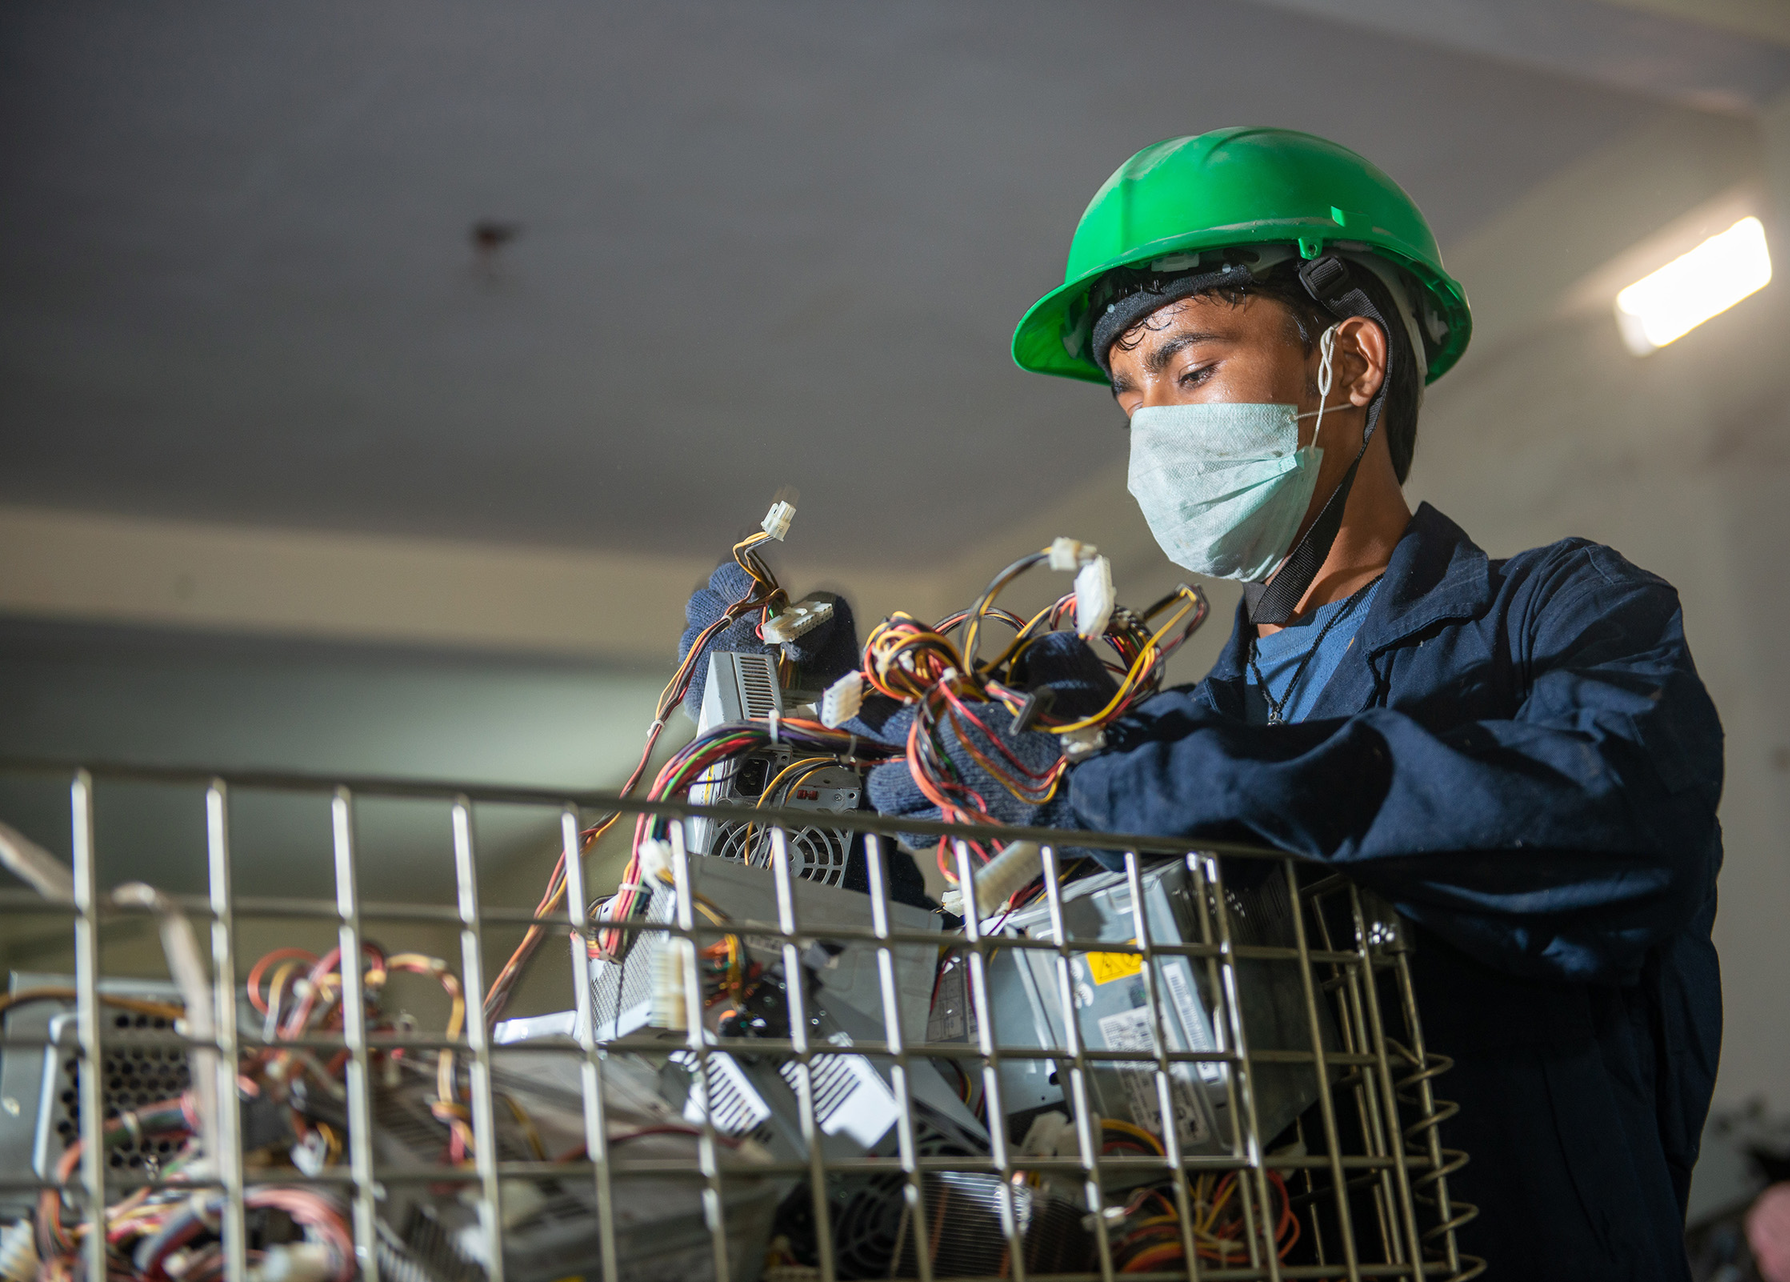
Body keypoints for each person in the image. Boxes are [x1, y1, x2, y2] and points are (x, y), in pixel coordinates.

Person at [682, 127, 1723, 1280]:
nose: (1157, 430)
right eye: (1130, 397)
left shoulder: (1554, 615)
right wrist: (828, 770)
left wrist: (1157, 771)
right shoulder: (1168, 727)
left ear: (1355, 361)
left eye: (1190, 370)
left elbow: (1611, 835)